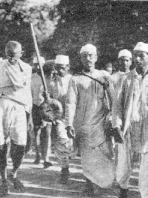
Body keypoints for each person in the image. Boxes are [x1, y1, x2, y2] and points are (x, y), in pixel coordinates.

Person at [0, 41, 33, 197]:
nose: (11, 58)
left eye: (14, 55)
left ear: (21, 53)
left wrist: (29, 115)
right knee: (1, 144)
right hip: (2, 105)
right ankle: (4, 181)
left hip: (20, 107)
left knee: (21, 145)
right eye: (8, 54)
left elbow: (27, 93)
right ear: (5, 52)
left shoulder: (27, 69)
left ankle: (14, 173)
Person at [65, 44, 115, 196]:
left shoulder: (105, 76)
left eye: (91, 55)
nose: (88, 58)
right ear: (80, 59)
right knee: (87, 157)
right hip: (83, 124)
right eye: (85, 56)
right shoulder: (75, 79)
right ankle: (90, 186)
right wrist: (68, 123)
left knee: (105, 154)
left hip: (101, 122)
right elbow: (70, 103)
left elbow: (113, 100)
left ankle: (104, 185)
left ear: (96, 57)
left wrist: (112, 119)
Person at [112, 42, 148, 198]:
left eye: (142, 56)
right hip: (129, 125)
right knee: (124, 162)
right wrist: (116, 126)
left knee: (146, 164)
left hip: (146, 126)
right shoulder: (126, 78)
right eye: (136, 56)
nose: (138, 59)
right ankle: (123, 188)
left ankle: (145, 193)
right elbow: (117, 105)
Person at [44, 55, 75, 183]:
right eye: (56, 68)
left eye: (61, 68)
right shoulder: (50, 83)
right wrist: (50, 115)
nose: (58, 71)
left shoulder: (74, 80)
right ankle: (65, 169)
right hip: (60, 118)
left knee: (76, 144)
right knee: (62, 142)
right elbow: (45, 105)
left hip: (74, 117)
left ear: (67, 67)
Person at [31, 56, 45, 165]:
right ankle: (37, 155)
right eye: (36, 65)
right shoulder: (32, 78)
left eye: (39, 65)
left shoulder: (48, 78)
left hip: (47, 106)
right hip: (35, 106)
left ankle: (46, 157)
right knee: (37, 132)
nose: (38, 67)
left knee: (47, 132)